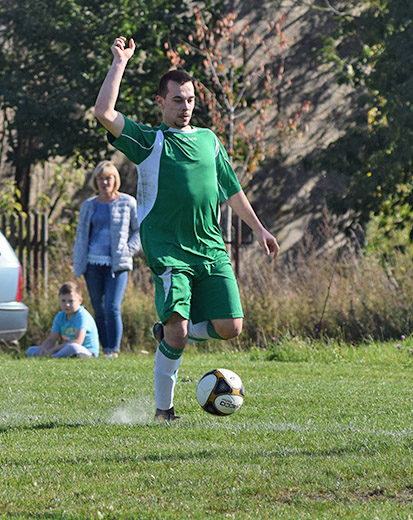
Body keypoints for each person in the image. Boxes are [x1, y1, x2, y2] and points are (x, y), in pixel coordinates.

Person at [94, 36, 279, 420]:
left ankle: (169, 333)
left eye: (190, 99)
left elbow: (232, 190)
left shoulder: (210, 141)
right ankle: (165, 411)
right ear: (161, 103)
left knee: (231, 327)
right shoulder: (149, 141)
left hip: (210, 249)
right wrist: (120, 63)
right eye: (177, 99)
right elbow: (103, 111)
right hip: (169, 251)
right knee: (177, 334)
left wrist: (259, 229)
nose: (185, 106)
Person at [73, 160, 140, 358]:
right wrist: (79, 262)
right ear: (96, 181)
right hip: (93, 264)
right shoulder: (89, 205)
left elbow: (139, 231)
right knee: (99, 308)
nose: (104, 182)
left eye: (108, 178)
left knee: (112, 306)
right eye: (100, 179)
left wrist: (128, 250)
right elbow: (81, 235)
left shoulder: (127, 202)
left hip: (117, 264)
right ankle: (104, 349)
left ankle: (114, 350)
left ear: (115, 180)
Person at [26, 282, 100, 358]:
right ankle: (52, 356)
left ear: (80, 301)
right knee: (31, 350)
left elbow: (78, 341)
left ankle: (52, 357)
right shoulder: (60, 316)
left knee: (73, 347)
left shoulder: (83, 316)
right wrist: (44, 348)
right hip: (65, 349)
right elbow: (52, 339)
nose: (67, 304)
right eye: (63, 301)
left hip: (85, 351)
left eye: (71, 301)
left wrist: (55, 349)